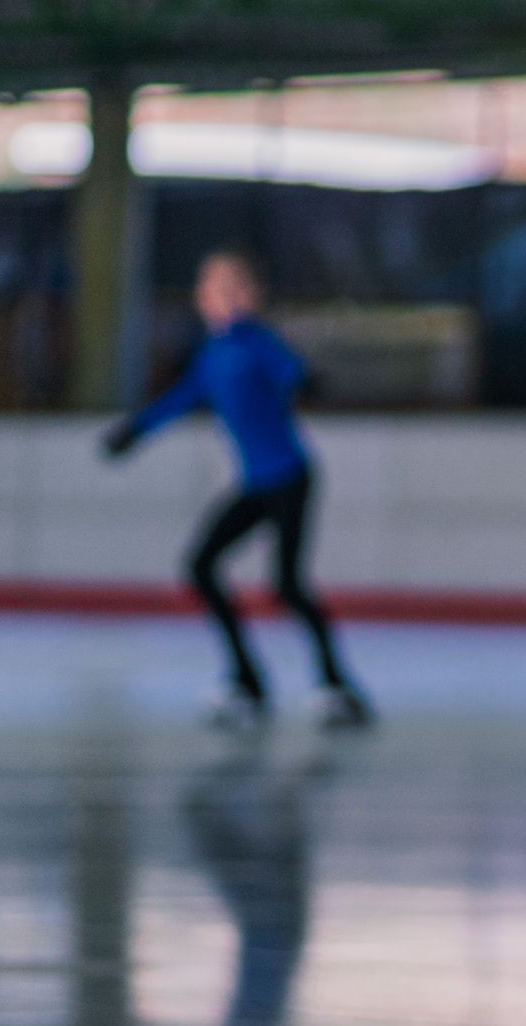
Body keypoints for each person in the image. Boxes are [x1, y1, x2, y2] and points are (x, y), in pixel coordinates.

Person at [100, 250, 372, 729]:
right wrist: (135, 431)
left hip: (290, 478)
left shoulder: (257, 342)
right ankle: (247, 679)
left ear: (248, 296)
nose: (212, 297)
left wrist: (308, 381)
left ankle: (337, 685)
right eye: (208, 287)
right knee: (201, 566)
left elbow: (290, 369)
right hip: (254, 484)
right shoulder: (213, 354)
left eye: (225, 287)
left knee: (287, 587)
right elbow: (182, 398)